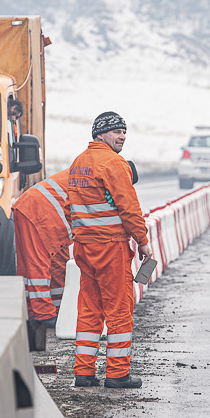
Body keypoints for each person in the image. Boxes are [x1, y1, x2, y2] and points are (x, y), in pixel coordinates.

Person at [66, 111, 154, 389]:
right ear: (100, 134)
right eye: (117, 131)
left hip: (84, 247)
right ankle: (117, 374)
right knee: (119, 310)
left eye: (124, 131)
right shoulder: (114, 164)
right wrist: (142, 240)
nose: (122, 136)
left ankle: (84, 372)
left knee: (89, 309)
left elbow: (71, 206)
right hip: (110, 248)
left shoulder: (78, 163)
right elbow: (129, 208)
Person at [12, 170, 73, 326]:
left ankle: (53, 309)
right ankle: (43, 314)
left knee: (58, 265)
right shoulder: (104, 179)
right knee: (36, 265)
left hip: (40, 210)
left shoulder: (93, 170)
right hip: (38, 212)